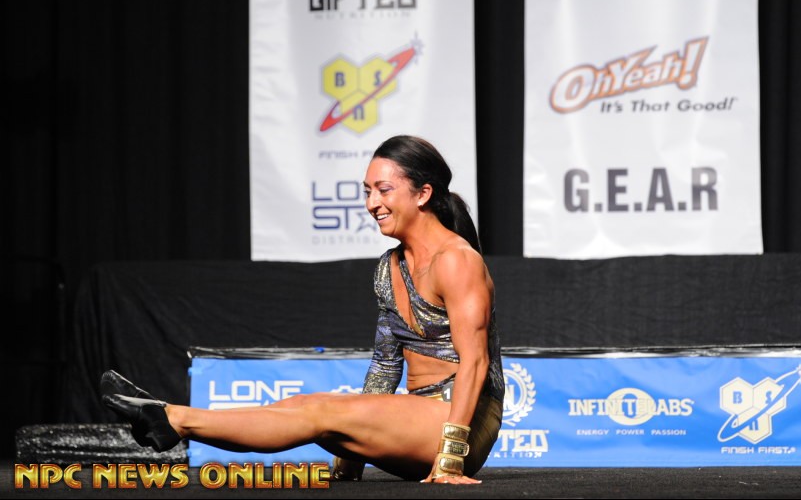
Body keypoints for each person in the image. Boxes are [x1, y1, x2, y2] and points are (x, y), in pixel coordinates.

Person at [101, 134, 504, 484]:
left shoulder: (456, 260)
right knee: (301, 405)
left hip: (464, 423)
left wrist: (451, 459)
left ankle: (175, 419)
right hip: (418, 417)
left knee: (320, 412)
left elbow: (475, 362)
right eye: (367, 191)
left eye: (383, 190)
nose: (372, 203)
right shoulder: (389, 267)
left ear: (423, 194)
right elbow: (385, 367)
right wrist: (350, 461)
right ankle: (172, 420)